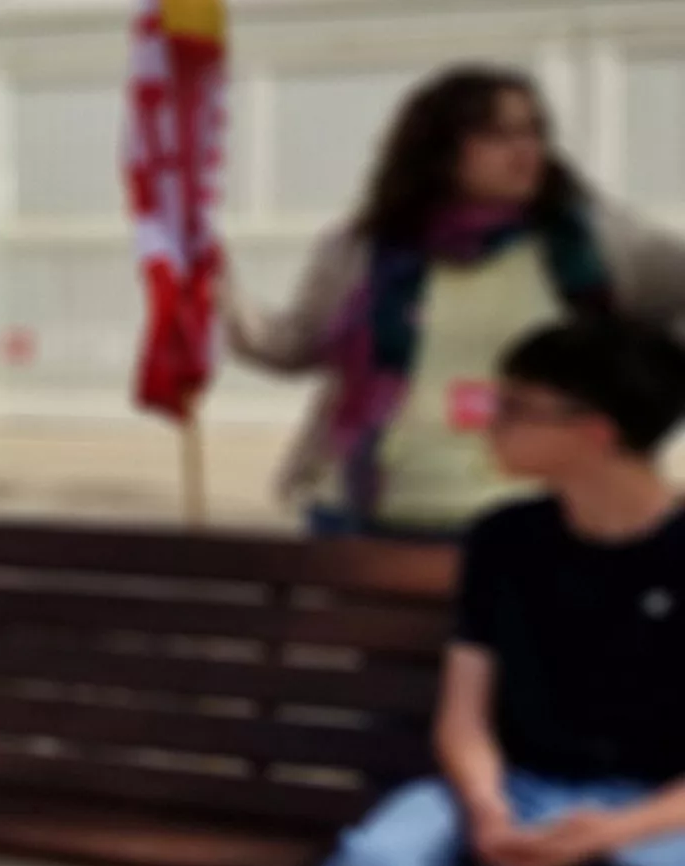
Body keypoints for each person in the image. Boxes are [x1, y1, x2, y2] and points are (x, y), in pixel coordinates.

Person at [318, 316, 685, 866]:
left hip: (658, 810)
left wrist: (620, 829)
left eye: (512, 407)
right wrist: (483, 803)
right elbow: (465, 709)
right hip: (513, 787)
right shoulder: (507, 539)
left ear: (594, 430)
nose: (488, 424)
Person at [232, 66, 685, 537]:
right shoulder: (366, 249)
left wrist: (637, 420)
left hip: (537, 525)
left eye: (534, 131)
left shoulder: (590, 244)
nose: (525, 152)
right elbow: (295, 346)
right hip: (369, 514)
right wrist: (217, 299)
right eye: (497, 135)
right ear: (439, 150)